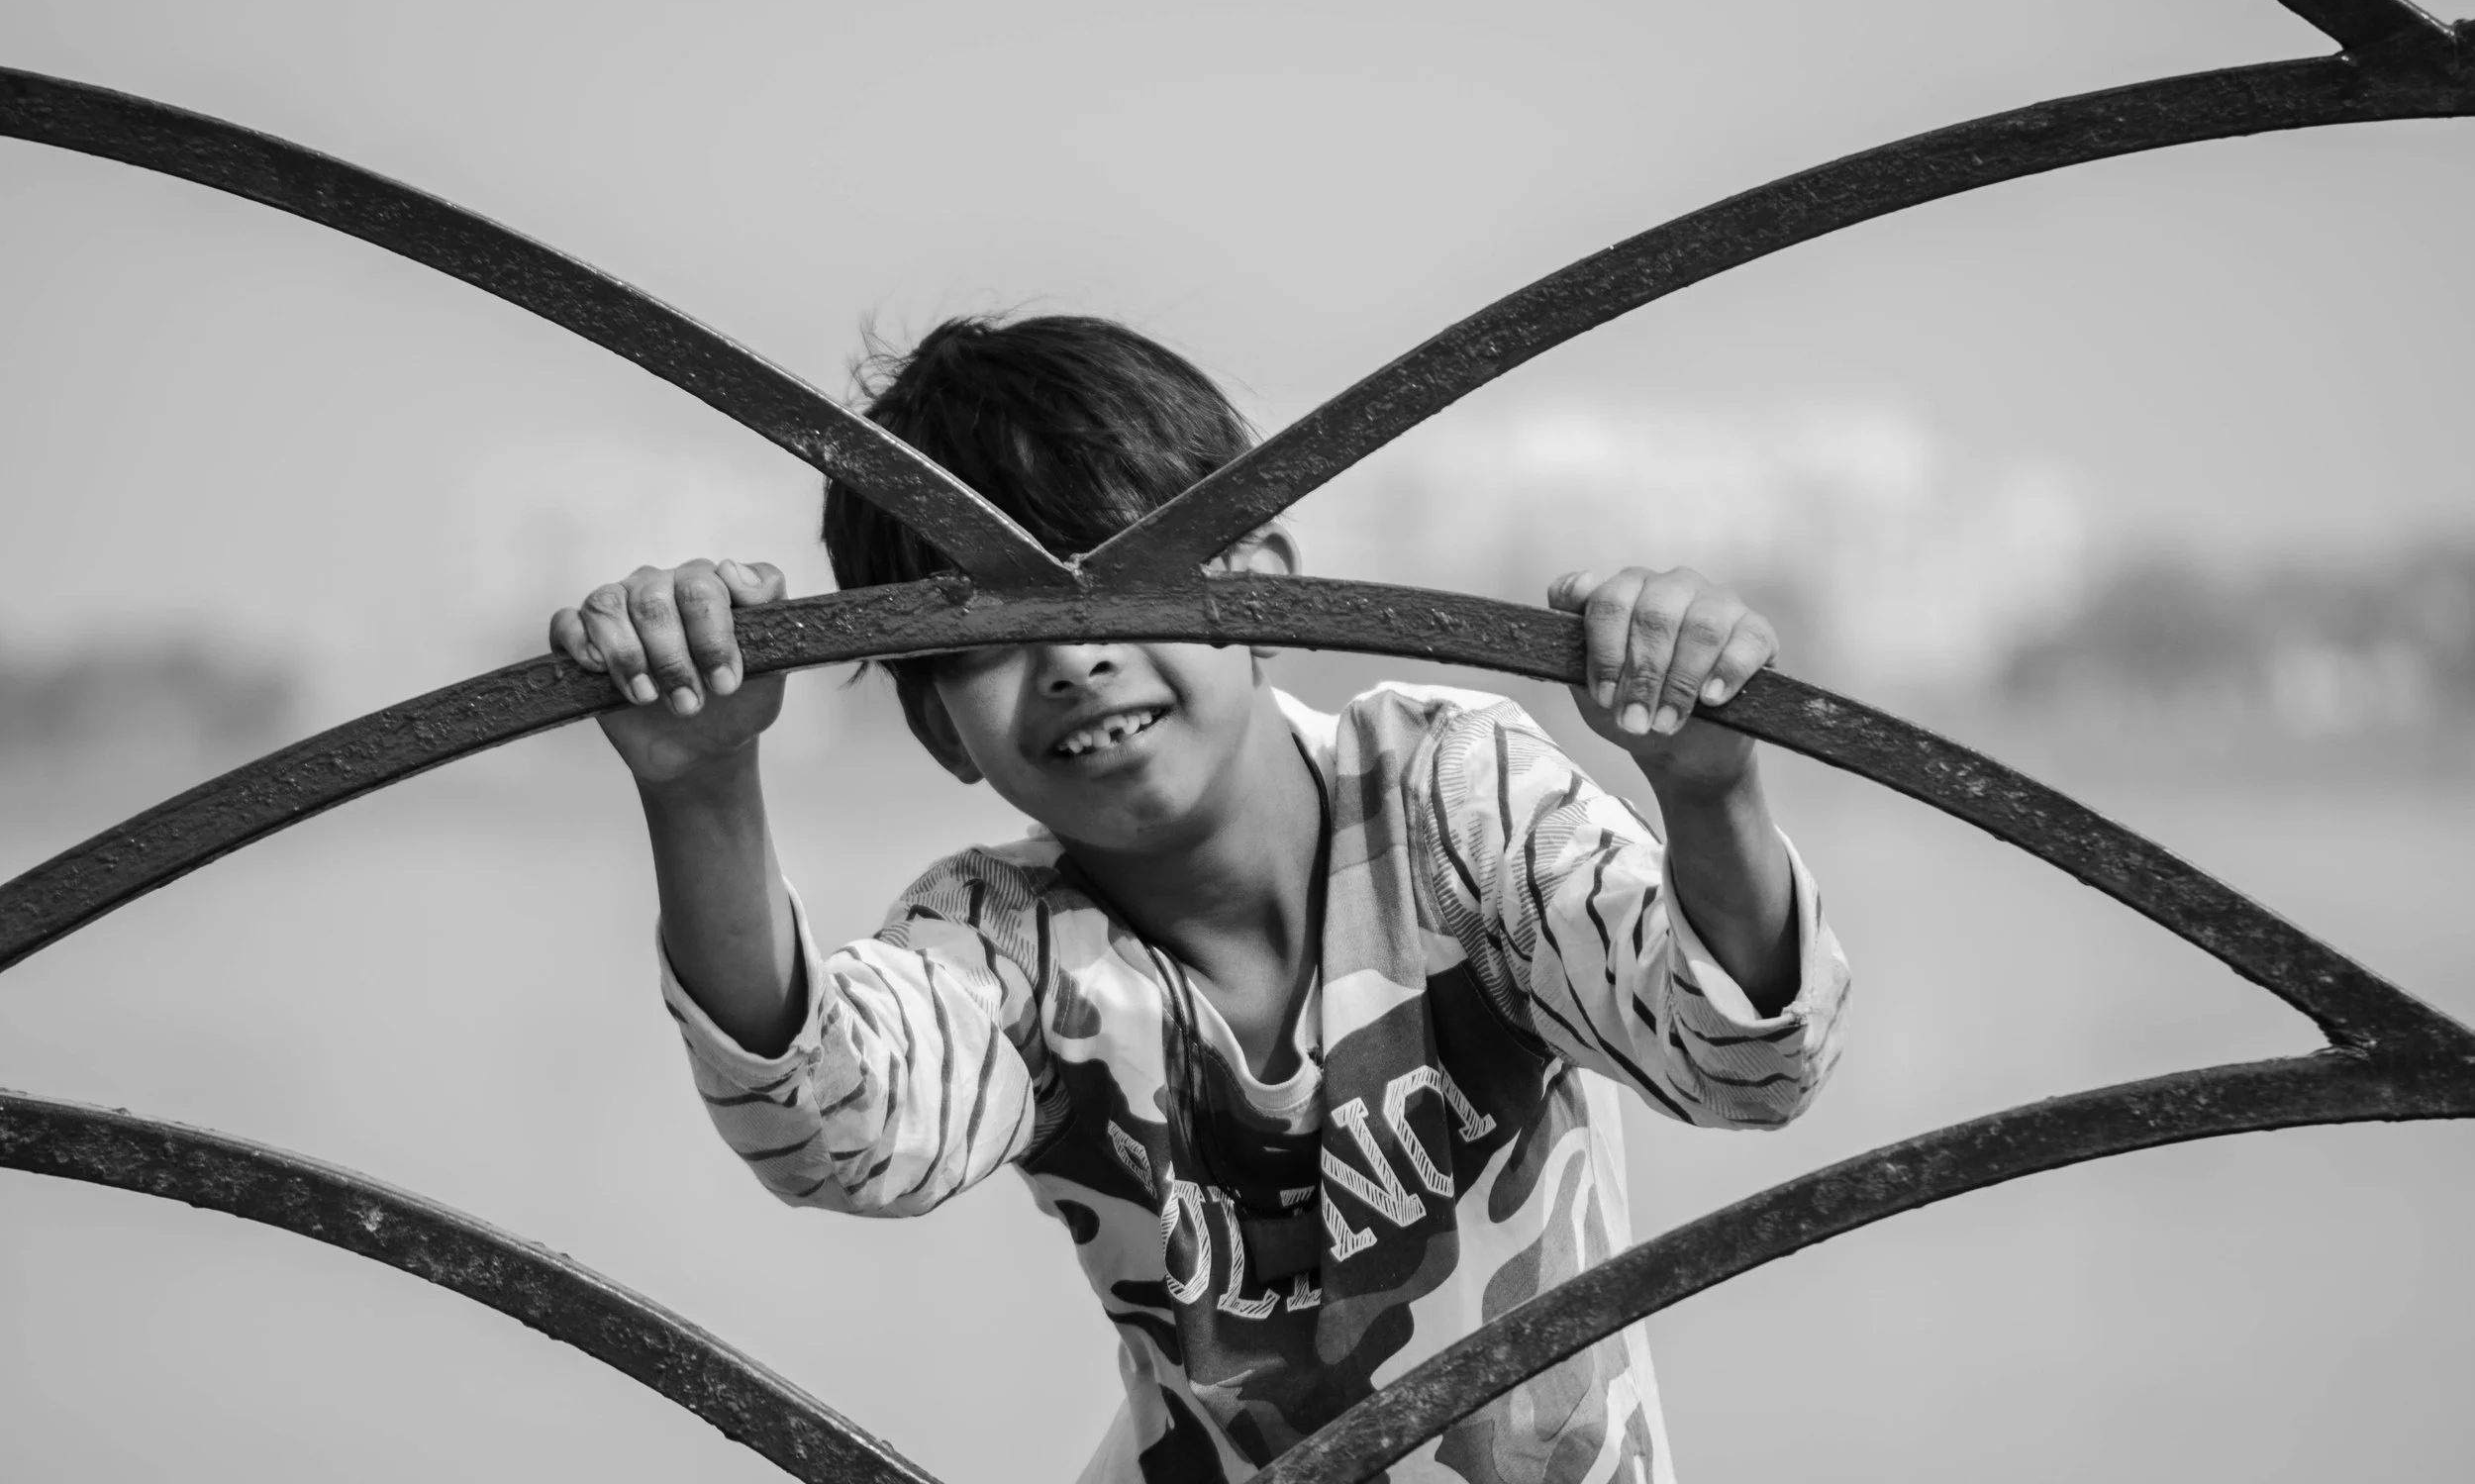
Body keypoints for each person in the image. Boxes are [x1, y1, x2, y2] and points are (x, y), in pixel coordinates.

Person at [549, 314, 1850, 1484]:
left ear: (1265, 589)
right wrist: (705, 782)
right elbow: (837, 1128)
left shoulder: (1453, 800)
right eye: (987, 636)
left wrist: (1709, 786)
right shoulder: (1005, 941)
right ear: (942, 734)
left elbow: (1745, 1062)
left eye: (1117, 581)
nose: (1073, 656)